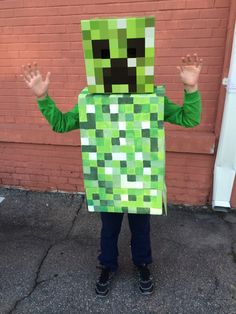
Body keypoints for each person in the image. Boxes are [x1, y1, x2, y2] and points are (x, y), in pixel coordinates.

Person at [22, 53, 202, 297]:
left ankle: (143, 265)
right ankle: (107, 266)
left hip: (141, 179)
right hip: (108, 180)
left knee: (141, 229)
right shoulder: (91, 102)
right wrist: (42, 97)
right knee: (109, 230)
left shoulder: (151, 100)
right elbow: (62, 124)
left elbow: (189, 118)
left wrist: (191, 88)